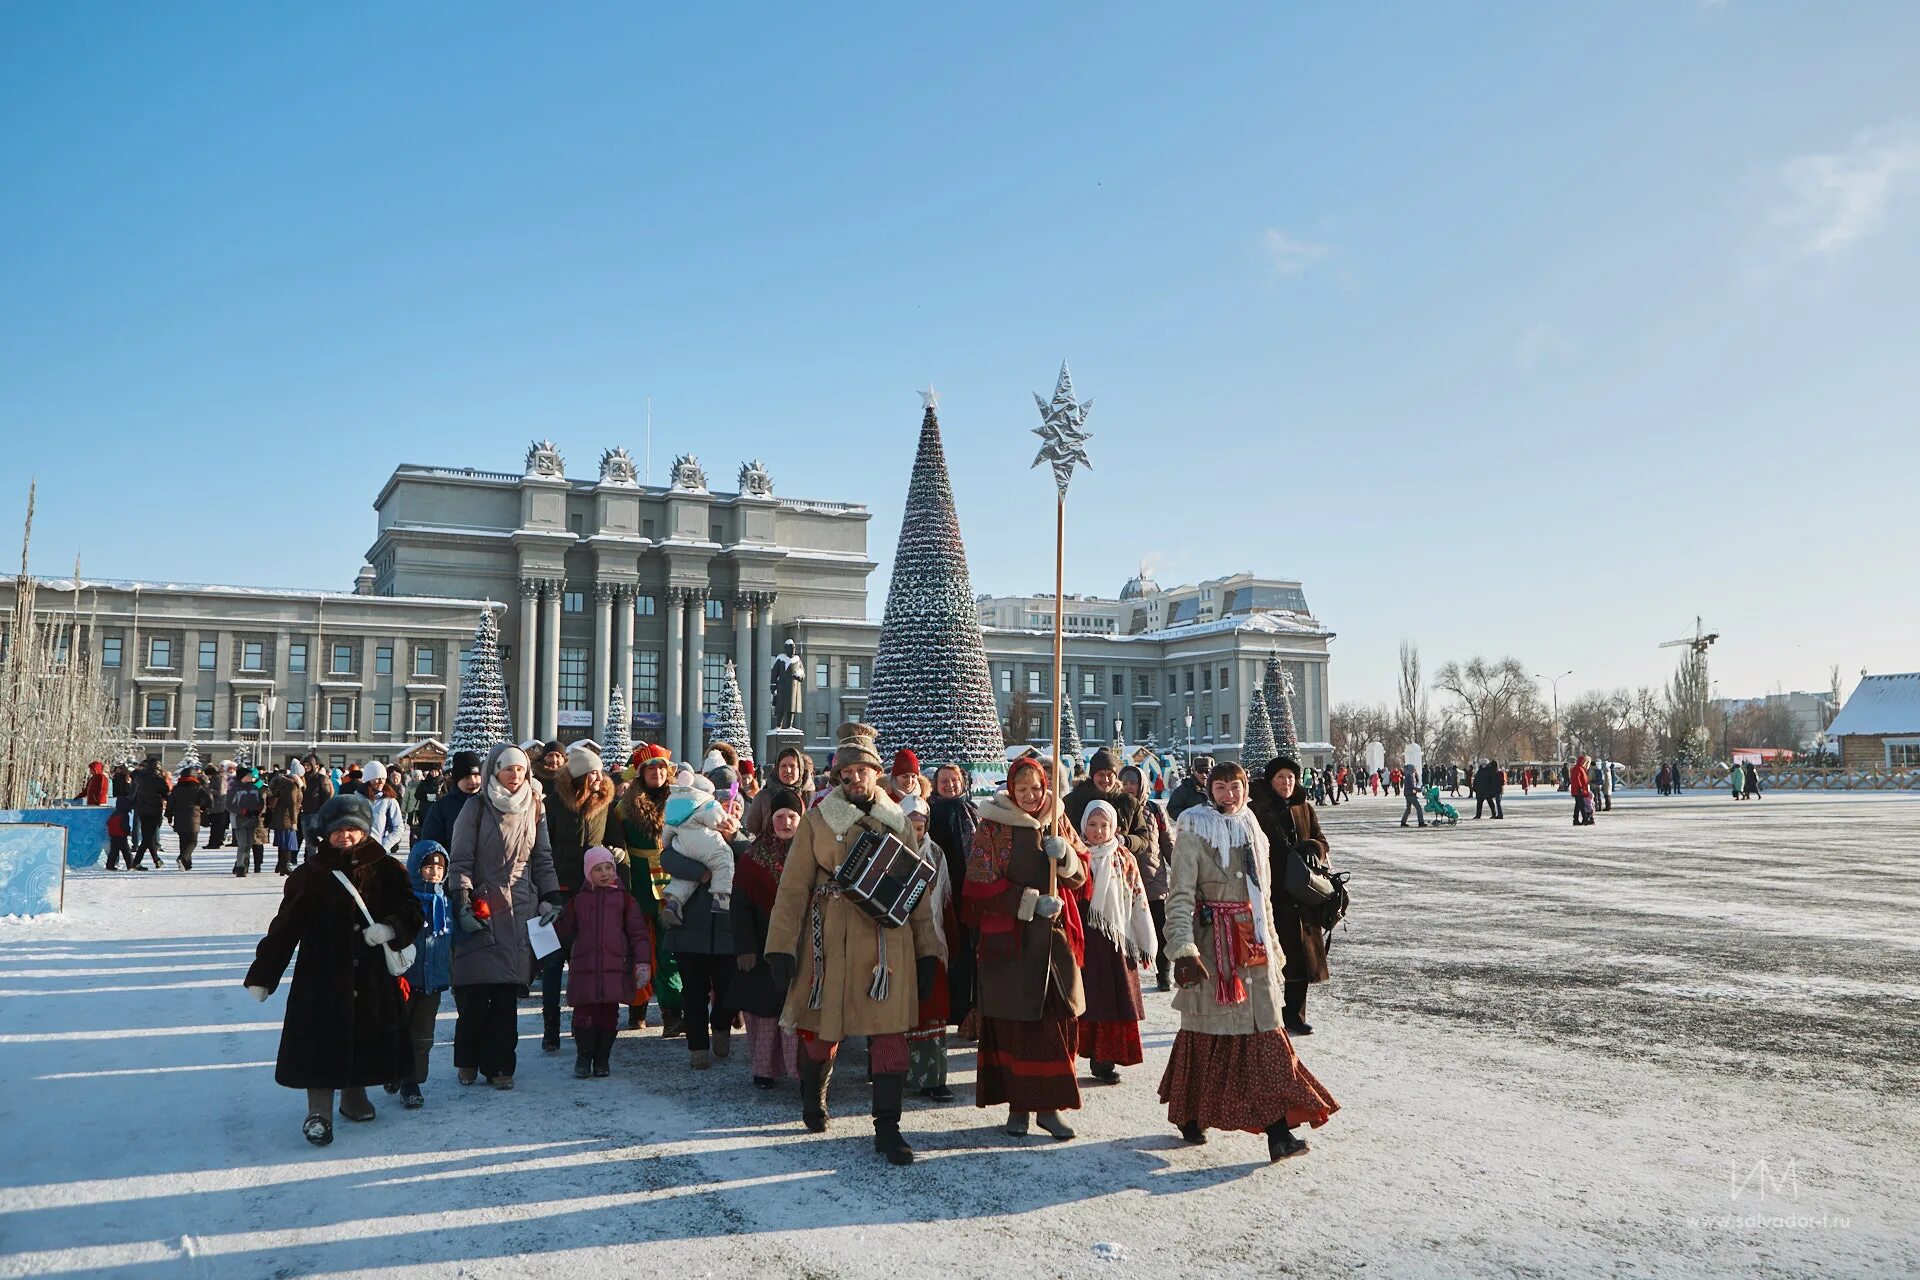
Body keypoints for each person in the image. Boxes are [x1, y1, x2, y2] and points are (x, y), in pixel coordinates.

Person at [765, 722, 937, 1166]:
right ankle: (813, 1093)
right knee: (824, 1033)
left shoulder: (900, 821)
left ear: (876, 773)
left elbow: (916, 893)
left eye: (862, 770)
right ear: (837, 777)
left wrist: (929, 951)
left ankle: (888, 1127)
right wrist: (780, 947)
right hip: (831, 944)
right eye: (846, 773)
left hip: (887, 946)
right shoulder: (817, 819)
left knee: (890, 1034)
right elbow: (792, 887)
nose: (854, 778)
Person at [1160, 762, 1339, 1161]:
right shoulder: (1194, 830)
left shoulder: (1253, 828)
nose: (1229, 794)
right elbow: (1179, 898)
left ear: (1245, 789)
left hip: (1251, 943)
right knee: (1208, 1036)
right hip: (1213, 949)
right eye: (1220, 787)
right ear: (1209, 789)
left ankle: (1278, 1133)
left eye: (1235, 786)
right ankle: (1191, 1114)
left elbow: (1264, 900)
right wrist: (1183, 949)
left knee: (1266, 1034)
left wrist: (1274, 947)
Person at [244, 793, 424, 1147]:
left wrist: (390, 928)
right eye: (338, 830)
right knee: (320, 1044)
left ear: (365, 831)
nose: (345, 836)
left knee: (363, 1037)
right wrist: (264, 974)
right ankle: (319, 1113)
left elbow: (413, 910)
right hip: (322, 978)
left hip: (371, 978)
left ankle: (354, 1098)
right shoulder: (311, 875)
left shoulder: (386, 867)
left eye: (353, 830)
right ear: (324, 833)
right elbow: (285, 927)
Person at [964, 755, 1087, 1142]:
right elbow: (978, 885)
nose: (1032, 795)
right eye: (1023, 789)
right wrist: (1029, 903)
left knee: (1054, 1021)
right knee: (1014, 1024)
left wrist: (1065, 856)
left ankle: (1049, 1109)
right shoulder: (994, 826)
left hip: (1052, 939)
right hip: (1010, 942)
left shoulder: (1058, 819)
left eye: (1037, 788)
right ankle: (1018, 1107)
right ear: (1011, 790)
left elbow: (1083, 876)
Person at [448, 744, 563, 1090]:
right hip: (483, 904)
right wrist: (463, 899)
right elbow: (461, 858)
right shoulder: (476, 807)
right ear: (493, 772)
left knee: (505, 994)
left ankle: (501, 1066)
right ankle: (468, 1057)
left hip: (519, 908)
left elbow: (542, 857)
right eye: (508, 769)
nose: (515, 776)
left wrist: (552, 894)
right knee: (474, 993)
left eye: (520, 770)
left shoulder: (534, 807)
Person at [536, 743, 619, 1053]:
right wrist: (545, 891)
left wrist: (615, 855)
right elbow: (542, 850)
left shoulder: (605, 803)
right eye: (593, 774)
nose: (598, 779)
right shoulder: (554, 803)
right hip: (556, 894)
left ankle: (579, 1026)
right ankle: (550, 1029)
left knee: (583, 965)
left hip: (591, 895)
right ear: (581, 776)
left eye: (600, 773)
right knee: (553, 964)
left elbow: (613, 840)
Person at [1073, 799, 1156, 1086]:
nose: (1097, 831)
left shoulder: (1124, 858)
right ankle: (1075, 1051)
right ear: (1083, 825)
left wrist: (1144, 938)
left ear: (1114, 827)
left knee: (1111, 998)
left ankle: (1104, 1059)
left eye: (1103, 825)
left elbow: (1138, 898)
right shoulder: (1075, 855)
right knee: (1081, 997)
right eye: (1092, 825)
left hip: (1115, 939)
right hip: (1083, 937)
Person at [729, 788, 805, 1090]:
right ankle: (764, 1070)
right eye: (780, 817)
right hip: (762, 946)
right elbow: (740, 905)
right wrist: (744, 948)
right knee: (765, 1013)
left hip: (802, 944)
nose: (786, 822)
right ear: (769, 819)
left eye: (792, 817)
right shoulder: (753, 857)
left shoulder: (811, 852)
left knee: (798, 1011)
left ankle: (801, 1070)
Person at [1252, 757, 1333, 1035]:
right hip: (1274, 893)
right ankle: (1270, 1013)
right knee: (1275, 954)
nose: (1286, 783)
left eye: (1290, 778)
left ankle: (1295, 1014)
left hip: (1304, 892)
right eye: (1280, 778)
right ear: (1270, 780)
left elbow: (1322, 839)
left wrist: (1314, 848)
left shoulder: (1304, 808)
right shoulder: (1258, 809)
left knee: (1302, 957)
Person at [556, 846, 652, 1079]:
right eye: (598, 869)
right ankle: (583, 1056)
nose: (605, 873)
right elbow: (564, 932)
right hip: (585, 969)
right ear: (589, 872)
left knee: (608, 1017)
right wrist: (551, 923)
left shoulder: (625, 902)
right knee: (584, 1016)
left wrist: (642, 962)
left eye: (608, 868)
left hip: (614, 970)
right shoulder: (578, 902)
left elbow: (639, 934)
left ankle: (602, 1059)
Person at [615, 744, 684, 1037]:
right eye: (650, 768)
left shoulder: (681, 802)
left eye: (661, 768)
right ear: (641, 773)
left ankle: (672, 1012)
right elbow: (617, 845)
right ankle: (637, 1007)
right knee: (637, 946)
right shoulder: (623, 807)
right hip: (638, 882)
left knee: (670, 949)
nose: (657, 773)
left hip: (674, 881)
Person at [899, 793, 959, 1102]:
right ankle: (898, 1074)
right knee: (901, 1012)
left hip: (932, 941)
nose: (916, 832)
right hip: (898, 943)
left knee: (934, 1010)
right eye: (910, 825)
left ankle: (935, 1078)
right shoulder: (890, 852)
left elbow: (945, 902)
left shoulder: (935, 854)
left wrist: (951, 941)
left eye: (920, 826)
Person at [395, 839, 453, 1109]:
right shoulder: (405, 903)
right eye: (428, 867)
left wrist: (477, 917)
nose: (434, 872)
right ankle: (398, 1074)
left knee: (423, 1035)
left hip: (434, 982)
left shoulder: (447, 903)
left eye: (439, 868)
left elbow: (457, 938)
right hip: (406, 980)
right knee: (399, 1031)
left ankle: (413, 1081)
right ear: (415, 868)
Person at [926, 762, 981, 1033]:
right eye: (944, 781)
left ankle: (968, 1014)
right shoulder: (930, 813)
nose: (949, 785)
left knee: (968, 954)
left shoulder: (973, 811)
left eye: (954, 780)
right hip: (940, 893)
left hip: (968, 893)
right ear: (936, 785)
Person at [1120, 764, 1173, 991]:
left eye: (1133, 783)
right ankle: (1127, 978)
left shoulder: (1154, 810)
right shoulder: (1115, 808)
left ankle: (1164, 974)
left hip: (1153, 882)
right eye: (1124, 783)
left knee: (1160, 931)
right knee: (1125, 932)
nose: (1128, 787)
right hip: (1124, 882)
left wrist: (1180, 869)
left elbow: (1168, 843)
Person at [660, 772, 735, 925]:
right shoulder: (706, 802)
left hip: (681, 844)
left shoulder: (674, 806)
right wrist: (730, 824)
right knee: (723, 859)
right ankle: (721, 896)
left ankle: (674, 903)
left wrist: (670, 844)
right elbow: (716, 819)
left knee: (684, 878)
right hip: (704, 842)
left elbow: (667, 833)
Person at [419, 751, 484, 848]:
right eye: (467, 777)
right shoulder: (442, 807)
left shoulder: (490, 803)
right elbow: (430, 843)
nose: (473, 781)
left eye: (476, 776)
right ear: (457, 779)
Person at [744, 747, 811, 837]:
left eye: (792, 766)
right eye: (783, 766)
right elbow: (752, 829)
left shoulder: (810, 796)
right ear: (777, 769)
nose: (788, 770)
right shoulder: (763, 797)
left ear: (800, 769)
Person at [165, 767, 215, 871]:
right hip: (193, 816)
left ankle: (187, 864)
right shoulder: (198, 787)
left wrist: (169, 816)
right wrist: (204, 807)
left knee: (183, 841)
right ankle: (183, 858)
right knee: (193, 841)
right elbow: (209, 798)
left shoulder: (176, 788)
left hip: (179, 816)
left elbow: (170, 804)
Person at [130, 754, 170, 870]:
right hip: (154, 810)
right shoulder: (158, 780)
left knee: (149, 835)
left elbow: (134, 775)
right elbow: (166, 793)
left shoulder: (140, 777)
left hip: (142, 809)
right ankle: (136, 862)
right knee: (148, 837)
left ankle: (156, 860)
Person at [267, 760, 305, 875]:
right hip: (287, 817)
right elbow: (292, 804)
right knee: (288, 842)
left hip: (280, 815)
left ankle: (280, 864)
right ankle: (286, 865)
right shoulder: (293, 785)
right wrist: (294, 821)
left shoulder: (284, 782)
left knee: (283, 842)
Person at [359, 762, 405, 854]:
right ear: (368, 779)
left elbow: (398, 828)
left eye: (383, 778)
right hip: (357, 851)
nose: (381, 782)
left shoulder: (389, 801)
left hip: (377, 852)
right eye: (377, 778)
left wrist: (383, 846)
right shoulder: (356, 799)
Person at [229, 769, 266, 876]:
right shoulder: (235, 789)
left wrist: (257, 810)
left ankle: (245, 864)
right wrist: (243, 811)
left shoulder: (254, 788)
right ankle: (240, 866)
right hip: (239, 820)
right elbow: (230, 805)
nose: (251, 777)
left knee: (249, 844)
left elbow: (260, 801)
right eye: (248, 776)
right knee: (243, 844)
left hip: (252, 819)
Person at [298, 754, 334, 858]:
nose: (306, 767)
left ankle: (314, 859)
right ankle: (310, 859)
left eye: (308, 765)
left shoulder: (321, 779)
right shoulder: (303, 779)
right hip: (305, 812)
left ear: (314, 766)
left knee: (313, 839)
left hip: (316, 813)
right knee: (307, 838)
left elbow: (327, 796)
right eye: (304, 765)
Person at [1166, 755, 1213, 821]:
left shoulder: (1216, 788)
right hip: (1193, 829)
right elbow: (1172, 808)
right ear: (1194, 772)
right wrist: (1190, 819)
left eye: (1207, 771)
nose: (1204, 775)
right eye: (1200, 771)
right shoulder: (1185, 789)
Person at [1399, 761, 1427, 828]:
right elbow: (1411, 786)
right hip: (1410, 794)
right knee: (1418, 808)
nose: (1415, 769)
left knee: (1408, 809)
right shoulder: (1410, 776)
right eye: (1414, 768)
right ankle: (1421, 822)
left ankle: (1403, 822)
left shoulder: (1408, 775)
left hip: (1407, 793)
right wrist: (1419, 790)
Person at [1570, 755, 1595, 825]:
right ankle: (1585, 819)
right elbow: (1576, 779)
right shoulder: (1578, 769)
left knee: (1578, 805)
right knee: (1582, 805)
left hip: (1579, 790)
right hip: (1579, 790)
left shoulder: (1580, 768)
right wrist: (1580, 787)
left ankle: (1576, 819)